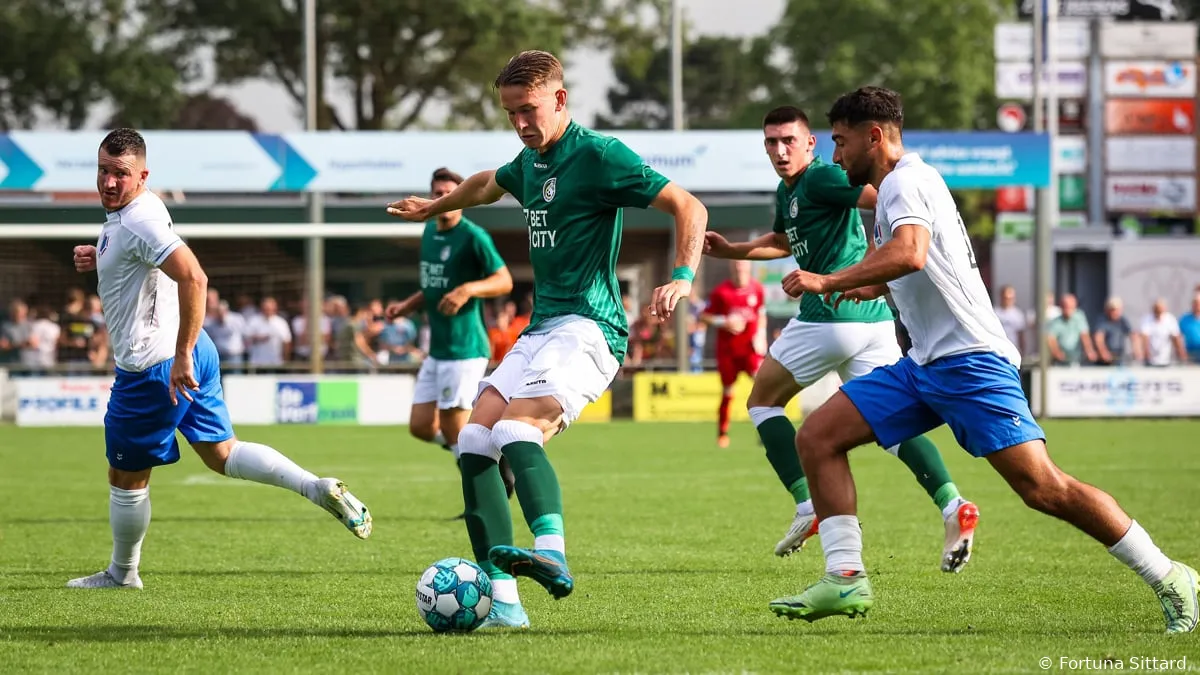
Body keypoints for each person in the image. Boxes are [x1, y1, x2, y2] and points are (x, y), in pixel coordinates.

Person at [767, 87, 1197, 633]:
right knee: (818, 436)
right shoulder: (901, 183)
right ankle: (845, 574)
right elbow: (924, 265)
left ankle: (1167, 574)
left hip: (971, 364)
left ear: (873, 136)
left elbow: (911, 253)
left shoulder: (904, 181)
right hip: (924, 366)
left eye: (840, 141)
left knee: (1044, 489)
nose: (835, 156)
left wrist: (829, 279)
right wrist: (872, 288)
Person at [386, 50, 707, 629]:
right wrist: (436, 206)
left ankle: (552, 553)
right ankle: (504, 604)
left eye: (528, 110)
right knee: (475, 441)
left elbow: (688, 206)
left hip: (591, 329)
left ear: (560, 99)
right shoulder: (531, 160)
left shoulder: (599, 155)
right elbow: (487, 183)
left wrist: (681, 277)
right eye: (510, 114)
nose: (520, 124)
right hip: (542, 327)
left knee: (513, 428)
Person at [66, 129, 371, 591]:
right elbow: (145, 263)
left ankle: (122, 574)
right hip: (193, 352)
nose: (109, 182)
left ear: (143, 175)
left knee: (126, 476)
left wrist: (181, 355)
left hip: (157, 368)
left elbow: (194, 277)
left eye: (121, 174)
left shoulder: (136, 222)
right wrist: (101, 257)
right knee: (221, 453)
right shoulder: (136, 212)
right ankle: (315, 485)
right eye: (103, 171)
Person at [704, 105, 977, 567]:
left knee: (763, 402)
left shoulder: (822, 178)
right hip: (871, 322)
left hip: (828, 315)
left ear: (811, 144)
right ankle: (953, 503)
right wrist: (735, 250)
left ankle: (807, 503)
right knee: (893, 427)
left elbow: (880, 199)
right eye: (771, 142)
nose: (779, 150)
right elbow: (784, 241)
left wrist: (862, 261)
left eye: (789, 140)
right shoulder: (789, 191)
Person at [386, 168, 517, 505]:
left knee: (454, 427)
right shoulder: (429, 231)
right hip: (438, 349)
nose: (442, 198)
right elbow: (434, 285)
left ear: (460, 196)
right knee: (420, 427)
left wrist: (468, 289)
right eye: (436, 192)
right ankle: (495, 456)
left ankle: (484, 498)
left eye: (448, 192)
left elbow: (504, 281)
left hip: (464, 347)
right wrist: (407, 306)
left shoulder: (474, 237)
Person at [699, 259, 766, 448]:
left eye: (743, 265)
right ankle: (722, 433)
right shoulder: (721, 292)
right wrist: (724, 322)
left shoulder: (757, 289)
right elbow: (704, 316)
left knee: (764, 388)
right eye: (736, 266)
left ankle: (765, 431)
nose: (740, 269)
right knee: (728, 391)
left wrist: (761, 337)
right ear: (731, 268)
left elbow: (761, 313)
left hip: (750, 351)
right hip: (728, 351)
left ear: (749, 267)